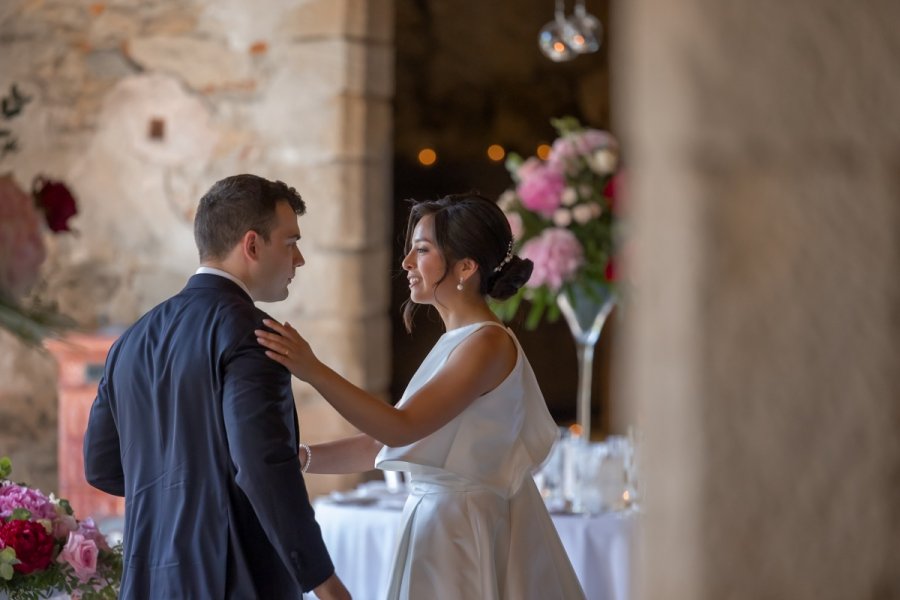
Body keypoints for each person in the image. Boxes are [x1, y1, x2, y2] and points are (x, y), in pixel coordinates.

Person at [255, 192, 586, 599]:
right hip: (438, 524)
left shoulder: (487, 344)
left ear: (466, 267)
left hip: (463, 531)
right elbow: (380, 443)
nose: (406, 264)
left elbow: (399, 428)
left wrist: (313, 370)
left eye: (422, 250)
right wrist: (296, 458)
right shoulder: (458, 342)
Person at [83, 174, 350, 599]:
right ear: (252, 245)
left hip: (149, 578)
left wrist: (179, 496)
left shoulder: (130, 341)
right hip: (232, 577)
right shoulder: (256, 335)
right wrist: (326, 584)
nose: (299, 259)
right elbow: (263, 467)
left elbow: (101, 465)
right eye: (290, 242)